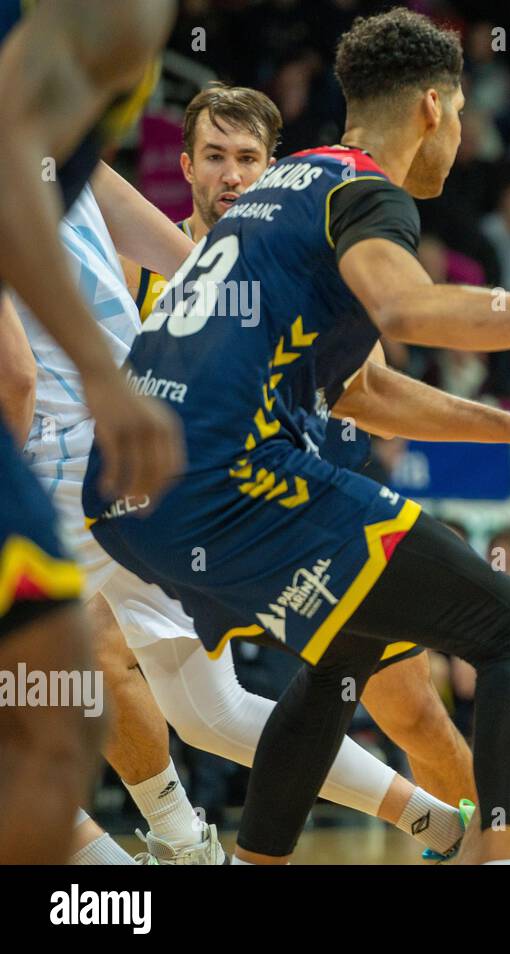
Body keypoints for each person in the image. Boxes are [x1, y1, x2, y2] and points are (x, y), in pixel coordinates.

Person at [83, 10, 510, 865]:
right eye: (458, 116)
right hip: (221, 475)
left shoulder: (284, 185)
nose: (461, 134)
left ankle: (253, 859)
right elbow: (410, 309)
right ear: (431, 108)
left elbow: (363, 387)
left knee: (344, 653)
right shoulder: (366, 193)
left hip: (122, 493)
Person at [0, 0, 185, 864]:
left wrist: (204, 272)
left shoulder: (115, 34)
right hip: (48, 423)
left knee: (64, 706)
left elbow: (66, 169)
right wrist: (104, 373)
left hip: (67, 421)